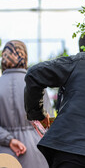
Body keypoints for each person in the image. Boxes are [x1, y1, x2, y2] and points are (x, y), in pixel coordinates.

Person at [0, 40, 50, 168]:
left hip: (5, 157)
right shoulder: (36, 86)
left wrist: (8, 139)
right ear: (25, 58)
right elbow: (47, 123)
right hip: (37, 153)